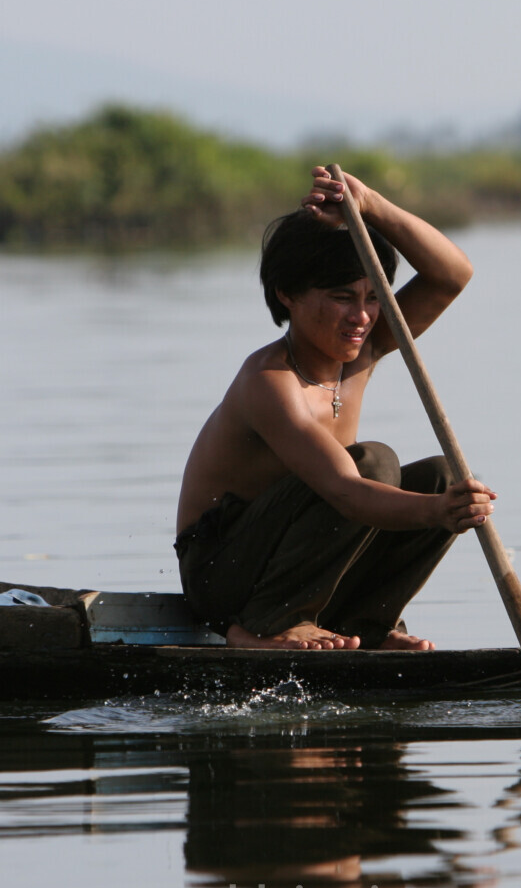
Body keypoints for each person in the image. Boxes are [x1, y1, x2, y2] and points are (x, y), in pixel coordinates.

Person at [174, 166, 495, 651]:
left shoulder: (365, 348)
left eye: (372, 298)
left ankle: (363, 626)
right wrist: (437, 514)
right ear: (288, 294)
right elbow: (345, 492)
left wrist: (371, 206)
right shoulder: (269, 380)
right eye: (342, 297)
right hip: (221, 573)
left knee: (443, 475)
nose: (361, 317)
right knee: (375, 465)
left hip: (292, 559)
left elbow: (452, 274)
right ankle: (268, 626)